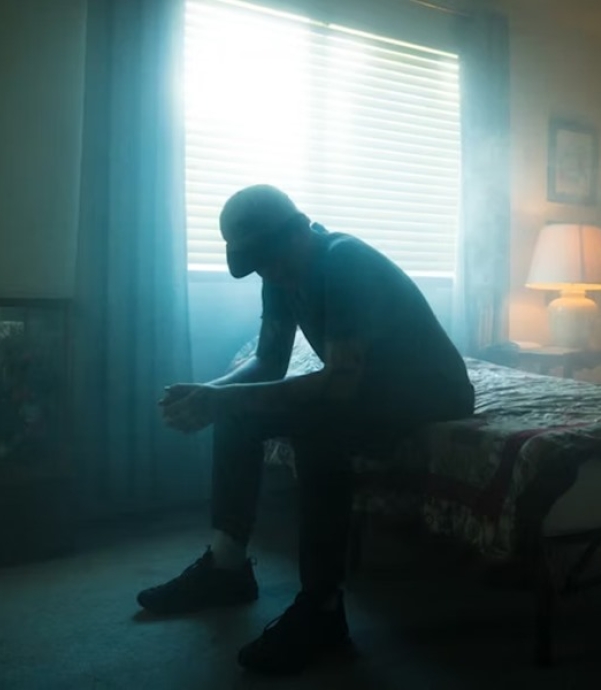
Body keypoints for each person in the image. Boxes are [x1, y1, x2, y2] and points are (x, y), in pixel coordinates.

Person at [137, 184, 475, 676]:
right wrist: (210, 393)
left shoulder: (344, 263)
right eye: (257, 266)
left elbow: (338, 385)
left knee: (319, 427)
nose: (268, 273)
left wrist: (223, 398)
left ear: (300, 232)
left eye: (270, 260)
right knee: (236, 414)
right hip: (368, 386)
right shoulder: (279, 271)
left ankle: (323, 609)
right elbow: (268, 360)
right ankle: (227, 567)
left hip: (430, 391)